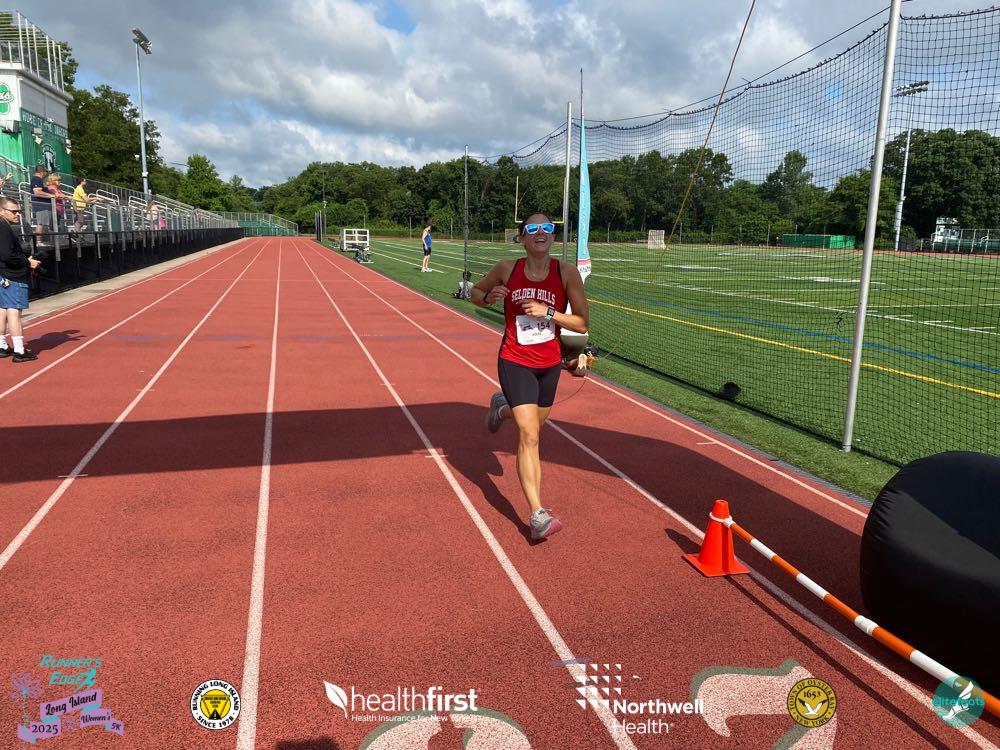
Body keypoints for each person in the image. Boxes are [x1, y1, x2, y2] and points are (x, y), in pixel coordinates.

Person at [471, 213, 589, 540]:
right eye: (533, 228)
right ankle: (537, 514)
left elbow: (581, 322)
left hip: (549, 364)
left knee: (534, 425)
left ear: (553, 236)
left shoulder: (566, 273)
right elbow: (476, 293)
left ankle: (501, 409)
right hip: (515, 359)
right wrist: (489, 297)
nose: (541, 232)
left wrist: (548, 312)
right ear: (522, 237)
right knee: (529, 434)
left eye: (547, 228)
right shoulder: (506, 269)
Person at [0, 197, 40, 362]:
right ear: (1, 211)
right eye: (13, 211)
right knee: (14, 311)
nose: (17, 214)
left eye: (18, 211)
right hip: (12, 275)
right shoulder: (4, 228)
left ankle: (2, 345)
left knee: (3, 309)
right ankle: (19, 350)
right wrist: (28, 262)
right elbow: (7, 254)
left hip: (4, 274)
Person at [29, 165, 52, 244]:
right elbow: (37, 192)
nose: (46, 174)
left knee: (43, 223)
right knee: (41, 223)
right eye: (46, 172)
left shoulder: (37, 179)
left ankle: (40, 241)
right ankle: (38, 242)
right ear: (42, 172)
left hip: (42, 205)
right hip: (40, 205)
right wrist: (50, 195)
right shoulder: (36, 179)